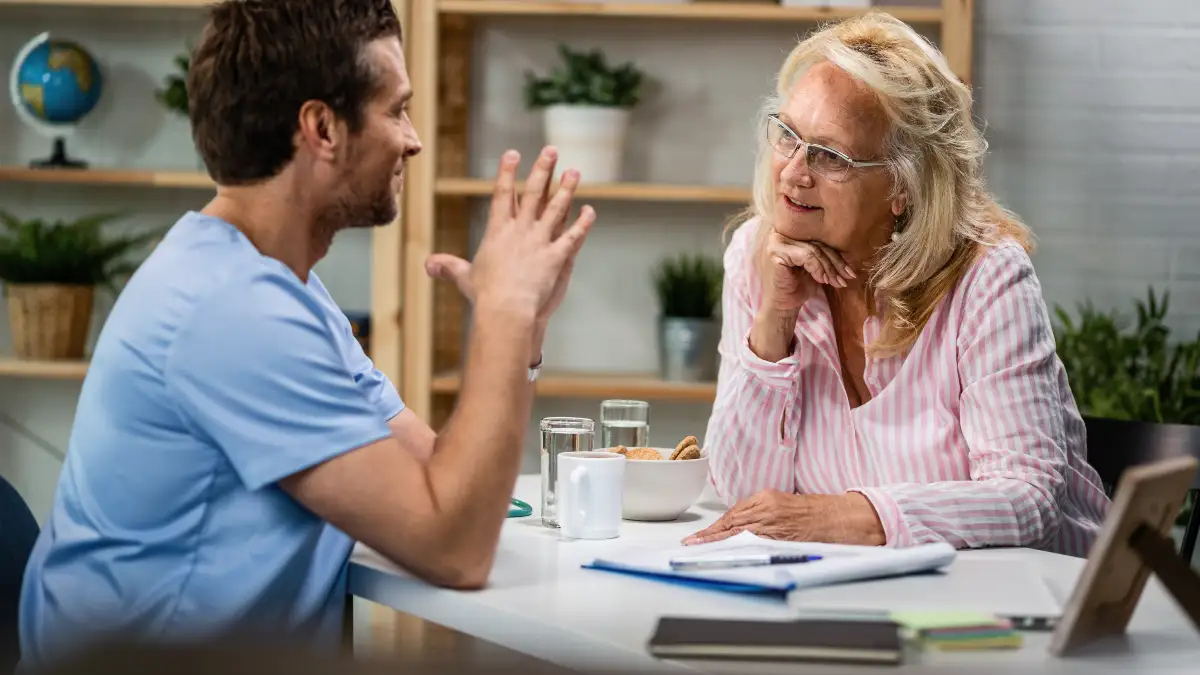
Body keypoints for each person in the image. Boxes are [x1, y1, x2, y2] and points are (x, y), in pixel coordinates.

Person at [18, 0, 595, 666]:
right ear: (322, 127)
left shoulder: (283, 291)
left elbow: (438, 478)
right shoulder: (232, 310)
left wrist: (520, 330)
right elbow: (454, 546)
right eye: (396, 109)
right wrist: (499, 313)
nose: (412, 139)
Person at [686, 12, 1111, 557]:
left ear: (903, 188)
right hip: (870, 594)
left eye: (830, 156)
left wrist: (845, 514)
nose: (794, 171)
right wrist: (774, 323)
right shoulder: (756, 255)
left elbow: (1028, 500)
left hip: (1040, 605)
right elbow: (742, 495)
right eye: (788, 136)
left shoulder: (988, 276)